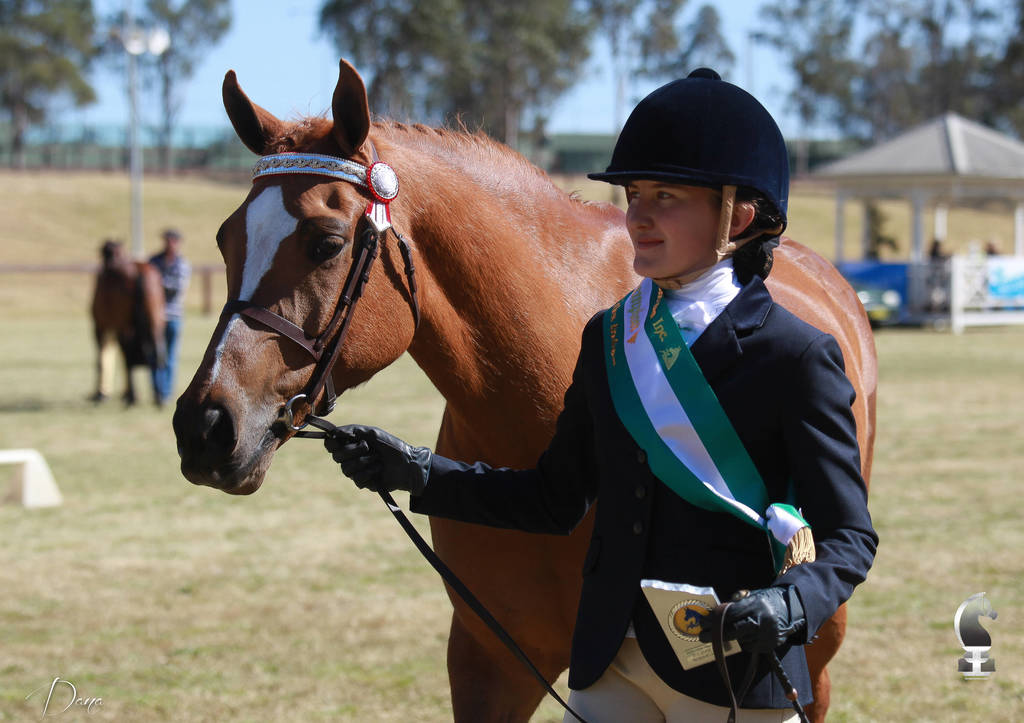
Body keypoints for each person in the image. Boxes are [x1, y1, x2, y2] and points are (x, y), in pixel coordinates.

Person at [323, 69, 877, 722]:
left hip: (735, 667)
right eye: (634, 193)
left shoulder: (799, 356)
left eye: (665, 196)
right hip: (610, 662)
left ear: (741, 215)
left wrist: (790, 604)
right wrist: (419, 471)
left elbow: (848, 537)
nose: (635, 214)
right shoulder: (612, 339)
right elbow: (555, 498)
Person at [149, 228, 191, 406]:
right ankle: (157, 391)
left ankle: (166, 392)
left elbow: (177, 288)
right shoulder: (154, 261)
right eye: (167, 240)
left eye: (173, 241)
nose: (170, 244)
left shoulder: (182, 265)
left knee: (170, 356)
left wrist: (155, 284)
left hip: (173, 316)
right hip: (154, 318)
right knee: (155, 355)